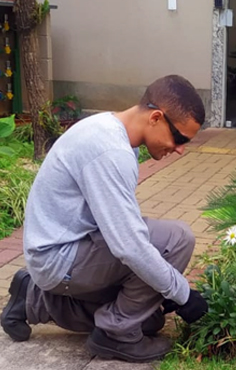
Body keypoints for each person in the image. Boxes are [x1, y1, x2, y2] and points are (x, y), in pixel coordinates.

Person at [0, 75, 209, 362]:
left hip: (59, 250)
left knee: (149, 320)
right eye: (180, 138)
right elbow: (130, 246)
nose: (180, 149)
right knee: (177, 240)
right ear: (156, 118)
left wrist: (163, 286)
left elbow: (120, 227)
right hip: (58, 257)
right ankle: (115, 335)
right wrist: (183, 294)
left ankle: (33, 299)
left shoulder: (110, 129)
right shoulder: (110, 151)